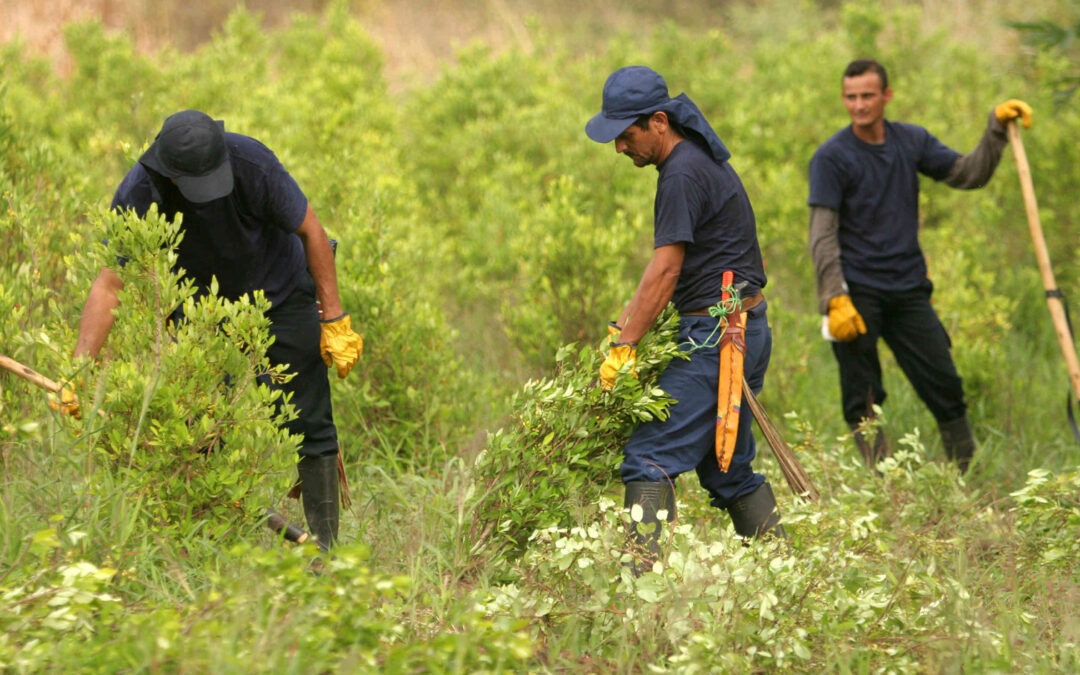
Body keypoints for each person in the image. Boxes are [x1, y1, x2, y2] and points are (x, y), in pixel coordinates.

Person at [62, 109, 363, 548]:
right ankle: (215, 546)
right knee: (203, 429)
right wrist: (79, 371)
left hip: (280, 295)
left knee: (311, 420)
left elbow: (311, 231)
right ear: (169, 172)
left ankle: (326, 554)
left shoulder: (251, 162)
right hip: (203, 316)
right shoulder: (141, 192)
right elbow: (110, 286)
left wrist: (333, 319)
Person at [586, 65, 785, 570]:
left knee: (649, 457)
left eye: (626, 135)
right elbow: (665, 270)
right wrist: (626, 324)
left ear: (657, 121)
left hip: (717, 338)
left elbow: (666, 268)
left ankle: (637, 593)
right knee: (727, 472)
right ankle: (784, 577)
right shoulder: (694, 161)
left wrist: (626, 345)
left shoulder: (681, 173)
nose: (619, 148)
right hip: (741, 329)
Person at [808, 58, 1032, 473]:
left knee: (944, 382)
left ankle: (965, 470)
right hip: (856, 292)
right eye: (851, 97)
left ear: (886, 96)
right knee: (862, 394)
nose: (859, 105)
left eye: (867, 96)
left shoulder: (910, 141)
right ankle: (884, 484)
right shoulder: (832, 157)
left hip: (908, 287)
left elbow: (967, 174)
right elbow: (822, 234)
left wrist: (995, 129)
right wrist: (834, 297)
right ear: (844, 98)